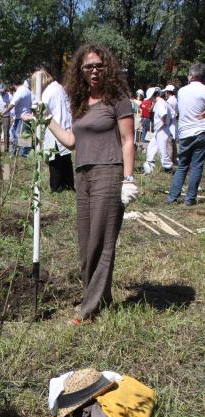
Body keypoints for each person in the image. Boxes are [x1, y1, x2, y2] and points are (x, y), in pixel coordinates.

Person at [30, 43, 136, 324]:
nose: (94, 72)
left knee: (102, 241)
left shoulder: (118, 100)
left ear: (108, 68)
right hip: (83, 174)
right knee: (86, 242)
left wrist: (128, 178)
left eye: (99, 66)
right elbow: (71, 141)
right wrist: (46, 118)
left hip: (109, 172)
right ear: (81, 70)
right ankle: (101, 298)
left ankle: (88, 310)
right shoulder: (80, 103)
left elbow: (128, 140)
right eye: (88, 67)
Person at [167, 63, 205, 206]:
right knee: (196, 166)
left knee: (182, 165)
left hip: (185, 132)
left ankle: (172, 197)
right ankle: (189, 199)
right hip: (201, 131)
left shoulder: (181, 91)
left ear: (192, 76)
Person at [39, 69, 74, 192]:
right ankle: (68, 185)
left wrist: (32, 117)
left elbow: (41, 109)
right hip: (64, 125)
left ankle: (56, 187)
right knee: (65, 159)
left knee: (55, 161)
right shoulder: (59, 88)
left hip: (55, 127)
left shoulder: (48, 92)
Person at [143, 87, 173, 174]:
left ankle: (168, 168)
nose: (150, 100)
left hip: (161, 129)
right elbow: (173, 114)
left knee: (162, 149)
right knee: (151, 146)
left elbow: (164, 114)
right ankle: (150, 163)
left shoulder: (159, 103)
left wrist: (163, 123)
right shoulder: (163, 102)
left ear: (153, 96)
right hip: (160, 129)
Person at [2, 78, 32, 157]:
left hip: (21, 117)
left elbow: (12, 104)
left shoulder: (19, 91)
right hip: (28, 116)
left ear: (13, 85)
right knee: (24, 135)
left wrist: (3, 113)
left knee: (18, 135)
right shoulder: (28, 91)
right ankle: (24, 153)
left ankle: (22, 154)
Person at [0, 84, 11, 151]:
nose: (1, 92)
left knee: (6, 132)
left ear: (5, 90)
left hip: (6, 116)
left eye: (2, 91)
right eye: (0, 91)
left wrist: (11, 116)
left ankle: (6, 148)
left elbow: (11, 105)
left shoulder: (9, 96)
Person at [163, 84, 179, 163]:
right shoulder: (175, 99)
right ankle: (174, 160)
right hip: (174, 123)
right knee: (173, 143)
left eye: (166, 92)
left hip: (170, 124)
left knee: (169, 144)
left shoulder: (169, 101)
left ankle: (169, 162)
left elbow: (168, 114)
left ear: (168, 92)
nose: (165, 94)